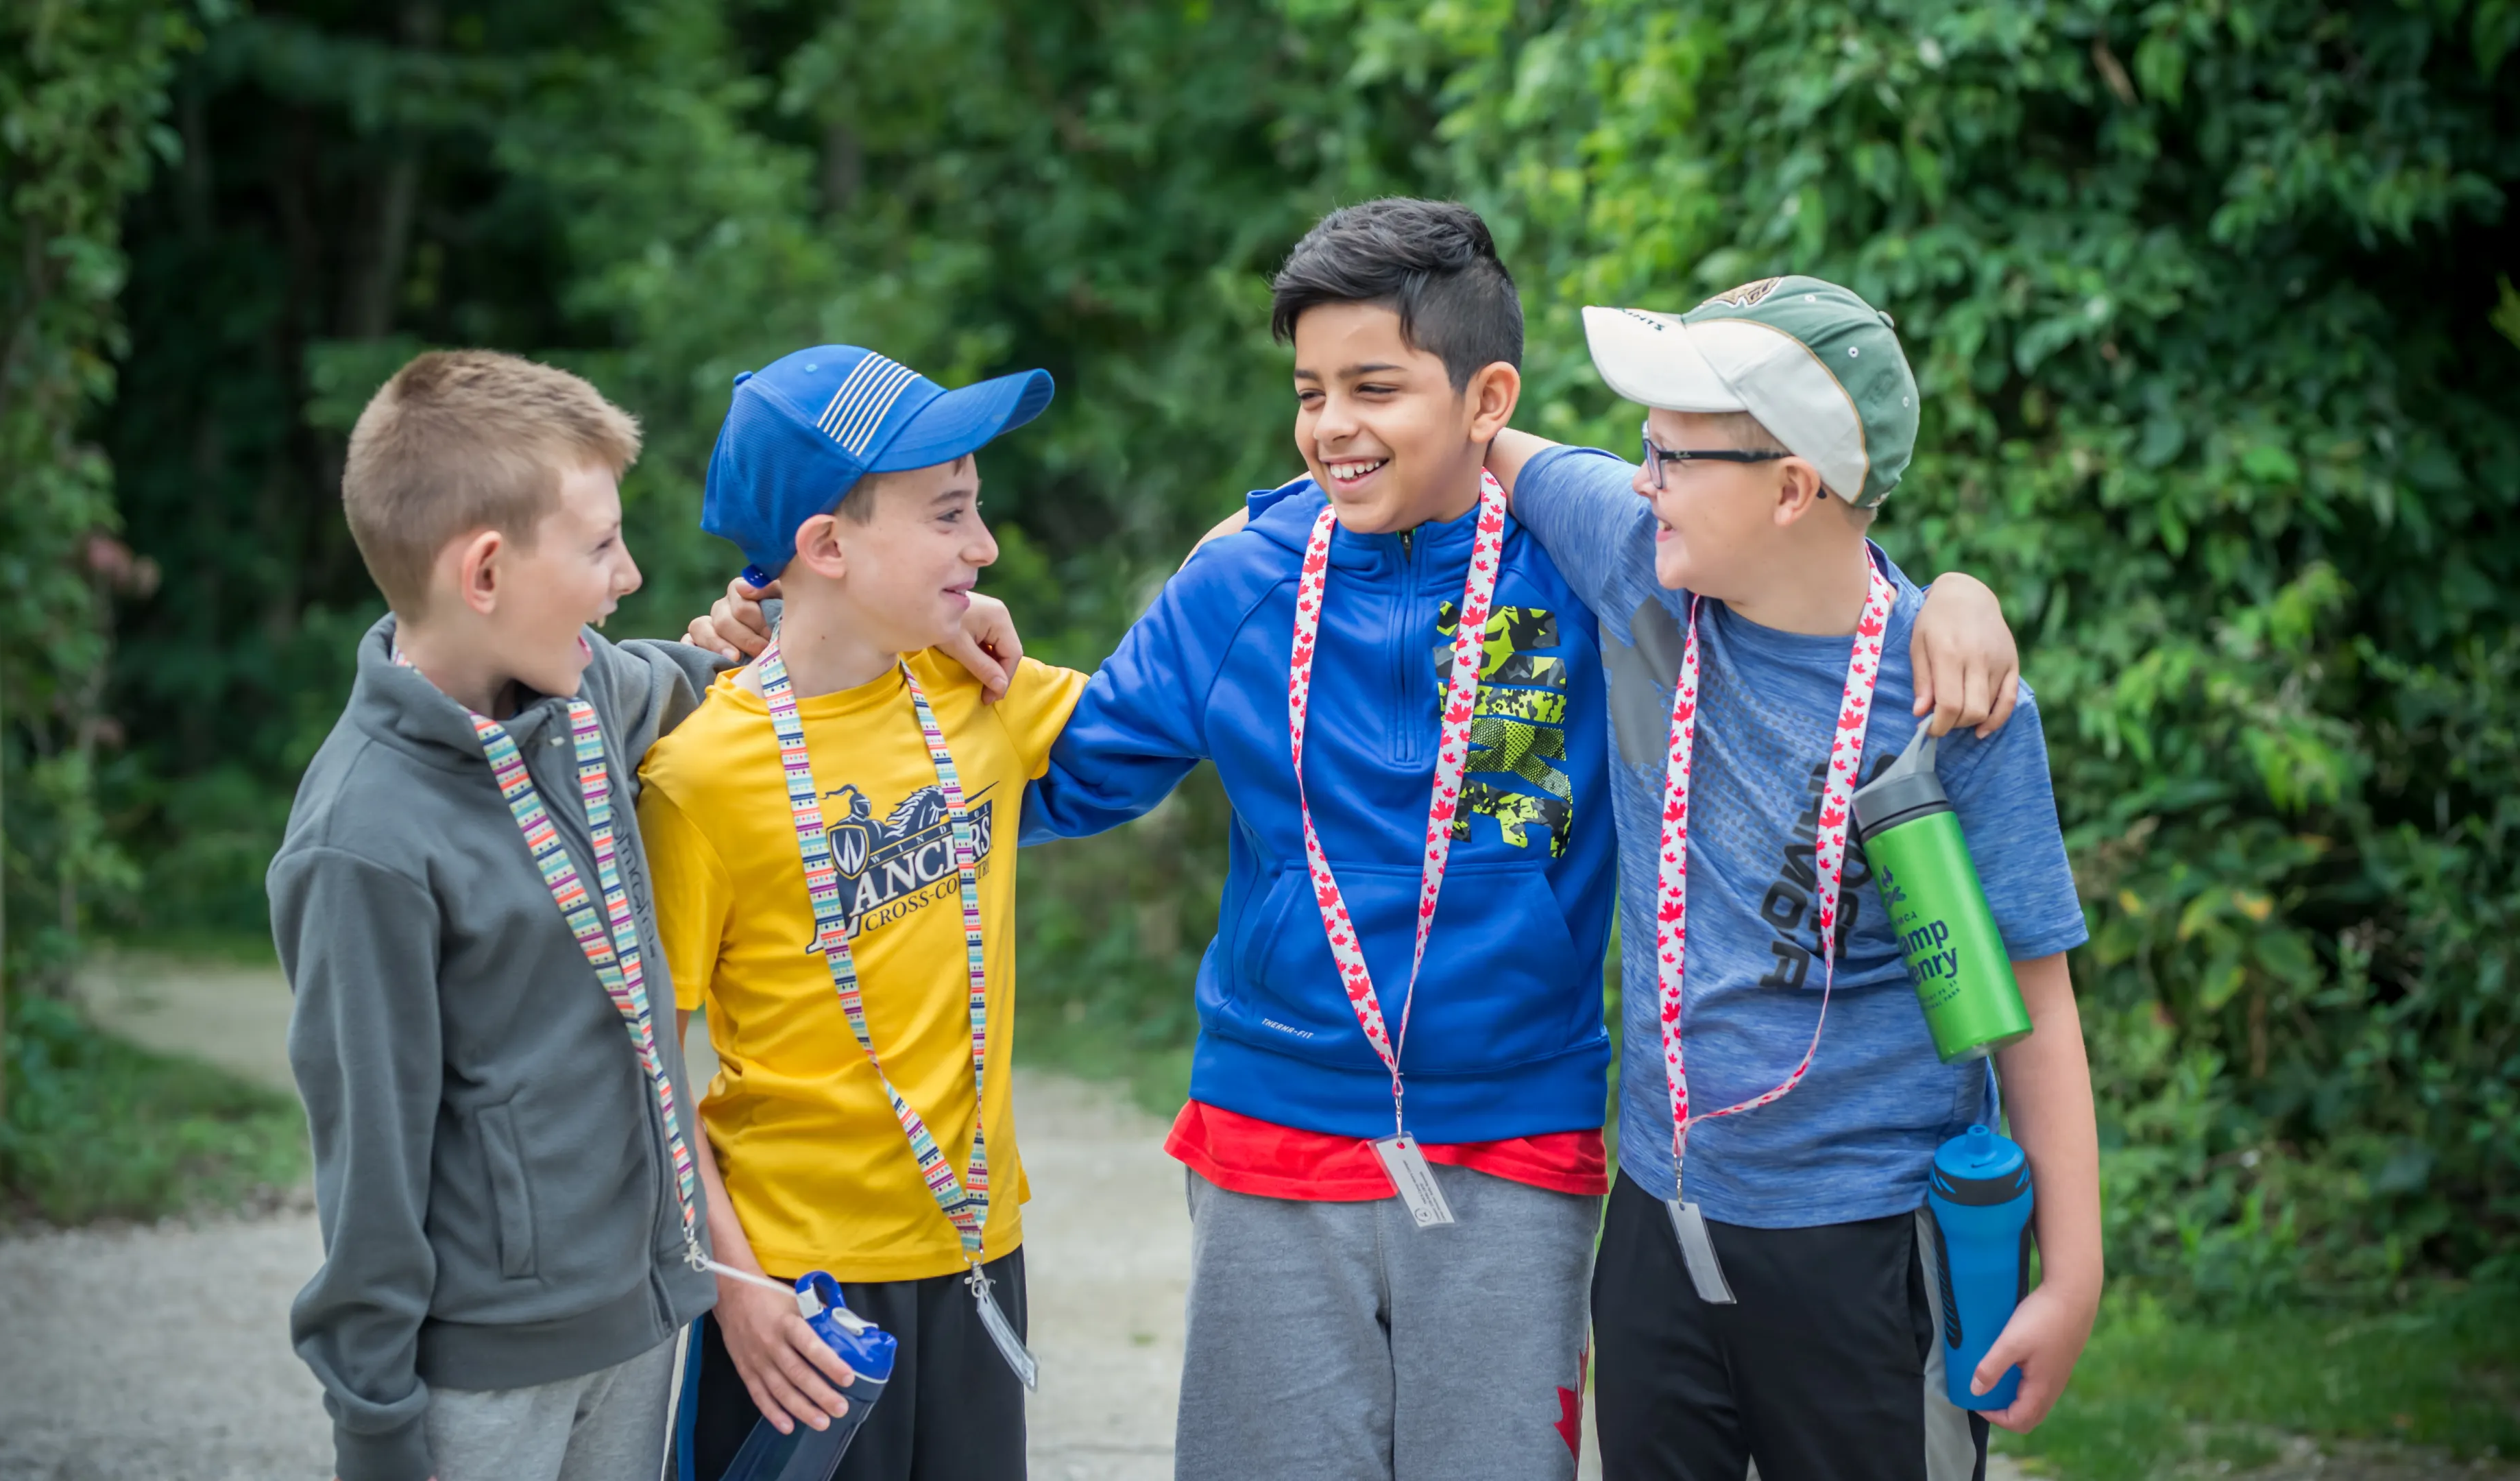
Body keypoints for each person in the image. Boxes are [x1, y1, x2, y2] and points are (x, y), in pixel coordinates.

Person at [683, 203, 2022, 1481]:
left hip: (1516, 1139)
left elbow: (1792, 562)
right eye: (1311, 392)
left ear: (1487, 402)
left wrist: (1945, 596)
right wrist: (802, 656)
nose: (1333, 425)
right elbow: (1038, 776)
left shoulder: (1601, 567)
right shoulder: (1243, 578)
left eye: (1374, 389)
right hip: (1272, 1132)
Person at [271, 349, 1018, 1481]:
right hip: (488, 1372)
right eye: (600, 547)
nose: (628, 576)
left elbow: (728, 665)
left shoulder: (587, 699)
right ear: (484, 572)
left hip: (640, 1326)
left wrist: (928, 605)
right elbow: (369, 1182)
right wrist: (378, 1439)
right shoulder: (361, 843)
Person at [1483, 276, 2102, 1481]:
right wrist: (1258, 525)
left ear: (1792, 486)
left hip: (1868, 1249)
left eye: (1671, 453)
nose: (1640, 477)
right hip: (1659, 1224)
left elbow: (2037, 1004)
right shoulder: (1644, 565)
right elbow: (1475, 433)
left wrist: (2072, 1275)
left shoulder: (1955, 710)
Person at [637, 346, 1086, 1481]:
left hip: (980, 1247)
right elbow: (646, 1064)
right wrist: (731, 1288)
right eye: (949, 515)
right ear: (826, 547)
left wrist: (1273, 538)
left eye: (976, 511)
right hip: (795, 1296)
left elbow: (1172, 701)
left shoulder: (973, 683)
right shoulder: (697, 774)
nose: (984, 550)